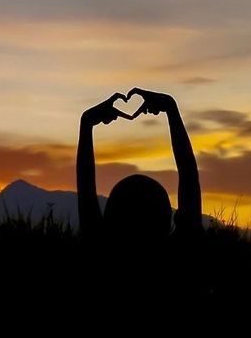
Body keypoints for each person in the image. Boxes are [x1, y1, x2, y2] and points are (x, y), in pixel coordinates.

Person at [76, 88, 202, 243]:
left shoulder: (100, 245)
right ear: (167, 221)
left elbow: (86, 188)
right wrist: (171, 108)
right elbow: (189, 178)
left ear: (109, 220)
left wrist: (86, 123)